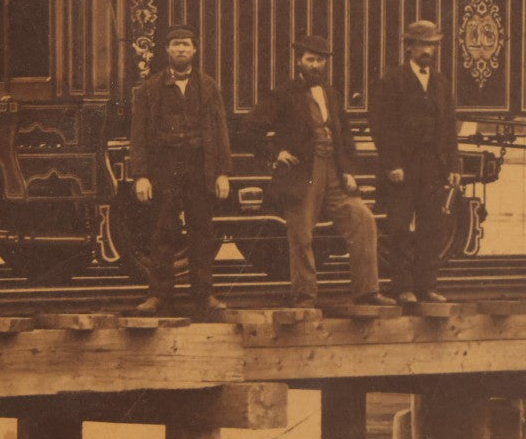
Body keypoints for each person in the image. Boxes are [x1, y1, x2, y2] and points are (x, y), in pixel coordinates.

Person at [245, 35, 395, 308]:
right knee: (301, 236)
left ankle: (367, 292)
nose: (315, 65)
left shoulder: (332, 94)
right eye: (310, 59)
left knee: (363, 221)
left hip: (334, 174)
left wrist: (348, 171)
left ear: (326, 63)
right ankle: (305, 297)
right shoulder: (282, 94)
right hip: (303, 175)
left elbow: (346, 137)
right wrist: (275, 152)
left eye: (320, 60)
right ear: (299, 61)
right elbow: (249, 129)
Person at [127, 26, 231, 316]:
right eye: (175, 44)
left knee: (202, 232)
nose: (181, 49)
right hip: (165, 167)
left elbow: (220, 130)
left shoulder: (209, 86)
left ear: (194, 50)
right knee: (163, 231)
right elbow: (138, 135)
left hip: (200, 166)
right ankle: (159, 297)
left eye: (186, 44)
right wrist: (141, 175)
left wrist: (222, 172)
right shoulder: (150, 88)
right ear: (167, 51)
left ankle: (205, 297)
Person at [369, 20, 461, 305]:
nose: (428, 51)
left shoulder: (441, 83)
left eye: (432, 45)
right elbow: (381, 126)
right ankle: (403, 287)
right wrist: (392, 163)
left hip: (433, 166)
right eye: (422, 44)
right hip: (403, 167)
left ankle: (426, 286)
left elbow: (448, 127)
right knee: (398, 227)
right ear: (409, 46)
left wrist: (454, 166)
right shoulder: (392, 80)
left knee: (432, 226)